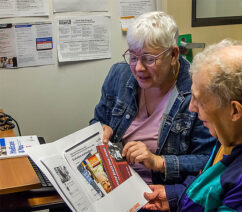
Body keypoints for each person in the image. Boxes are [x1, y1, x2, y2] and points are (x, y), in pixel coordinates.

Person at [143, 39, 242, 211]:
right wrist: (176, 197)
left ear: (235, 111)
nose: (191, 107)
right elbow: (214, 178)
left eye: (199, 100)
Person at [90, 11, 215, 185]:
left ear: (173, 55)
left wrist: (158, 162)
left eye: (149, 59)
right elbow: (97, 121)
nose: (138, 67)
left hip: (158, 192)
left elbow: (209, 160)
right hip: (116, 182)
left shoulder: (197, 91)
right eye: (133, 57)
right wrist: (101, 129)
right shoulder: (119, 74)